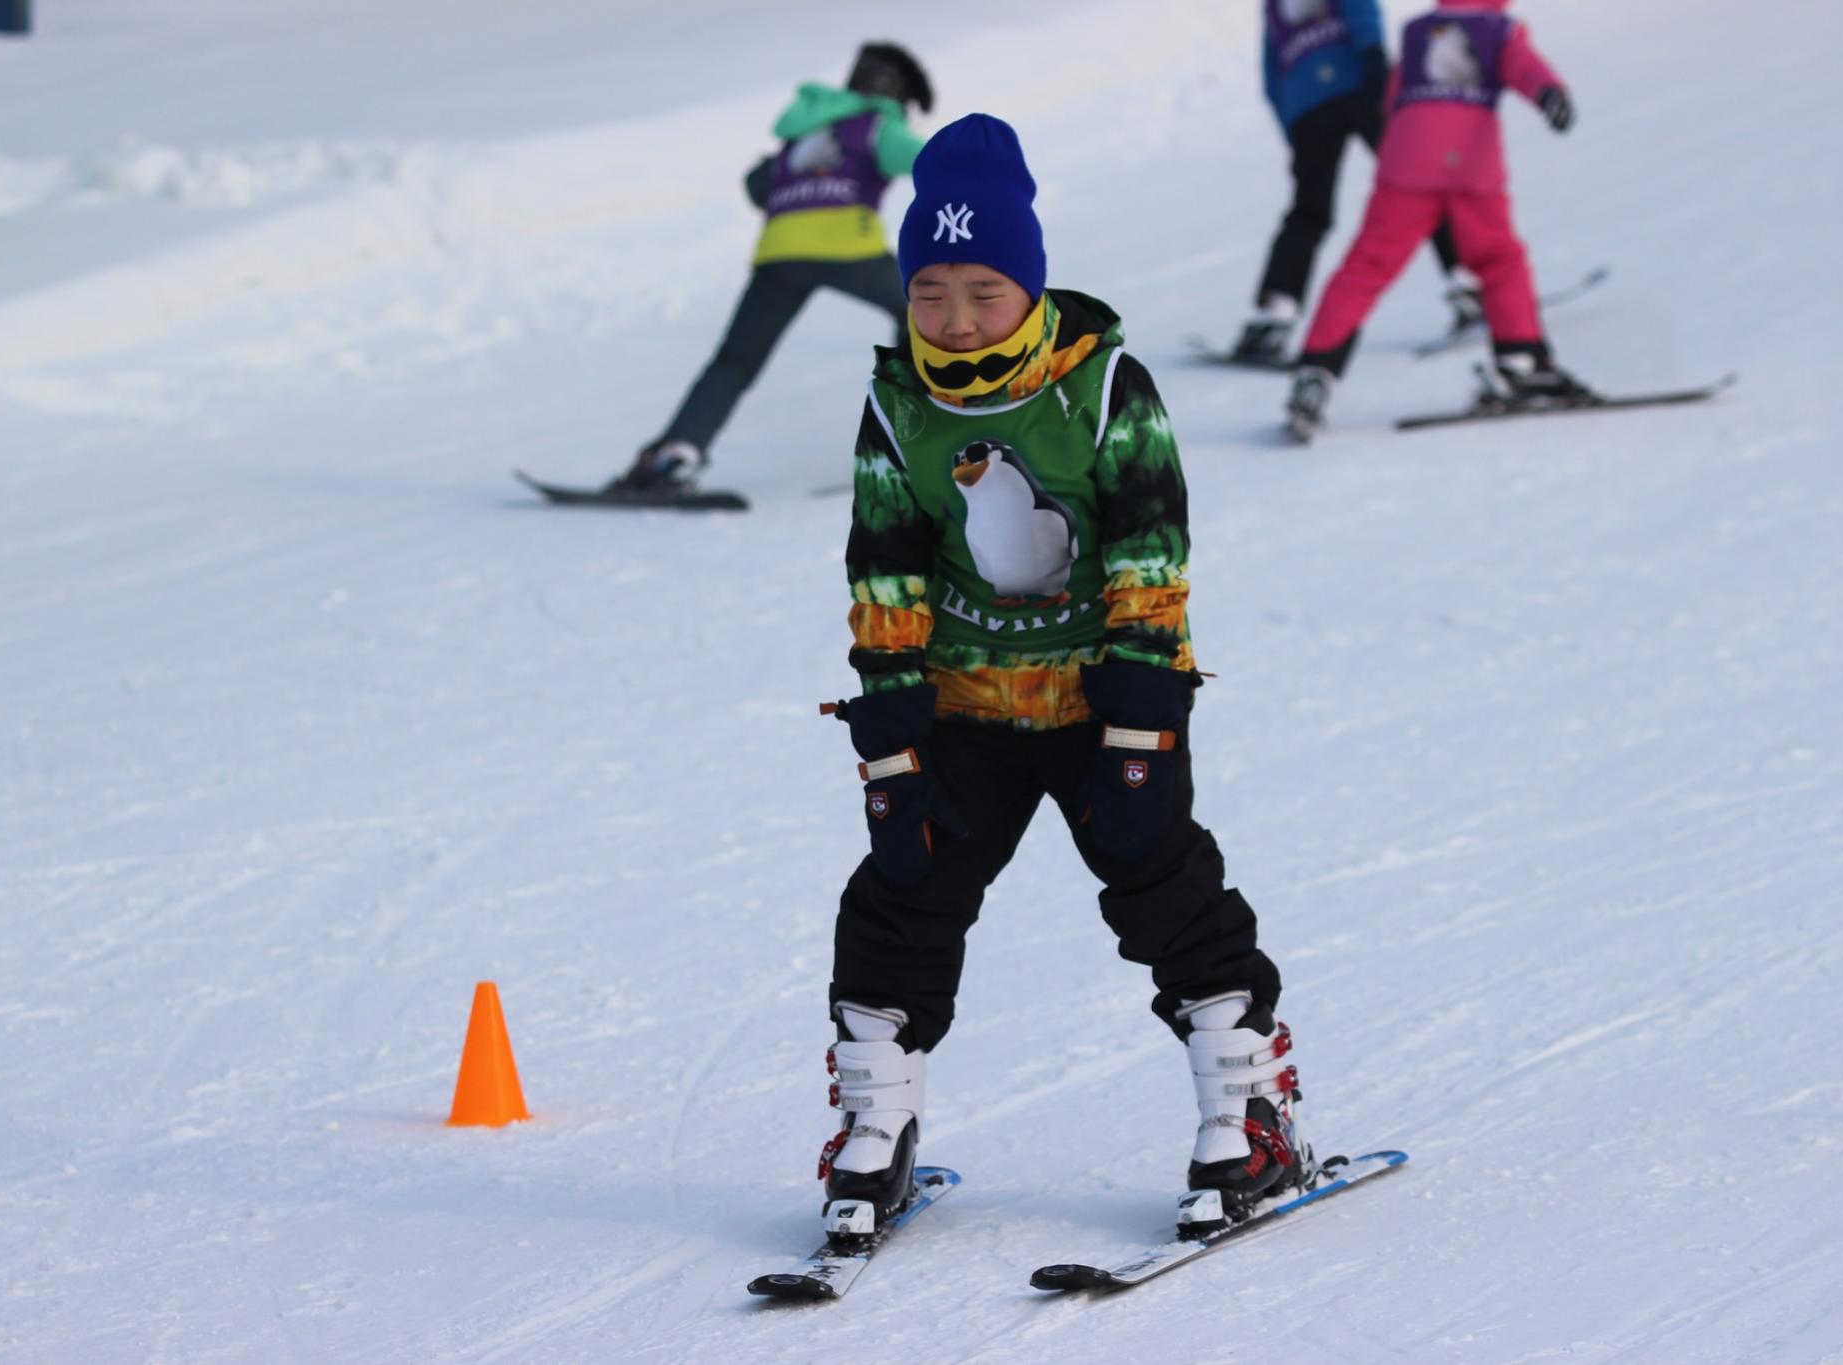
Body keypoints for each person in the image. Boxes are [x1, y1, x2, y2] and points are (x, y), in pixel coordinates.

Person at [816, 113, 1308, 1238]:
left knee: (1160, 881)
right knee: (902, 893)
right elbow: (884, 562)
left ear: (1030, 287)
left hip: (1101, 699)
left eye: (983, 292)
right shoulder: (897, 405)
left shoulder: (1103, 387)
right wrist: (888, 715)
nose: (955, 318)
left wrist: (1141, 705)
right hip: (965, 705)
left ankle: (1247, 1110)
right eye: (930, 292)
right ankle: (875, 1125)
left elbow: (1149, 545)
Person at [611, 43, 933, 496]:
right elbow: (928, 161)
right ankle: (917, 439)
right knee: (923, 309)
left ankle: (673, 456)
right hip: (850, 248)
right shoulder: (877, 125)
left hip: (779, 253)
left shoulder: (803, 131)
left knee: (734, 361)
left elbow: (757, 186)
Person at [1286, 0, 1579, 439]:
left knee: (1365, 267)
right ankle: (1520, 361)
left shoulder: (1417, 30)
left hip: (1405, 164)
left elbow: (1392, 97)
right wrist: (1549, 93)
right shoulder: (1500, 29)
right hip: (1470, 166)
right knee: (1498, 258)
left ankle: (1315, 373)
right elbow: (1524, 67)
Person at [1232, 0, 1477, 365]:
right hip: (1359, 82)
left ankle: (1274, 315)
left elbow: (1271, 71)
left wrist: (1292, 125)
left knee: (1308, 211)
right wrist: (1373, 54)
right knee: (1421, 185)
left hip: (1308, 107)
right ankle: (1469, 285)